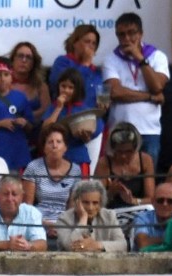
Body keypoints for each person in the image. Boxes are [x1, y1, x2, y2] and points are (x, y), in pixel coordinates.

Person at [101, 11, 169, 167]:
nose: (126, 39)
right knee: (119, 174)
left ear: (141, 34)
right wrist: (150, 97)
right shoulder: (110, 59)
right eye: (121, 35)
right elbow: (116, 92)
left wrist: (140, 59)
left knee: (148, 177)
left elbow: (157, 86)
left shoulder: (157, 57)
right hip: (120, 128)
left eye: (131, 33)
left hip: (149, 130)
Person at [48, 24, 107, 170]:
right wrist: (85, 64)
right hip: (67, 126)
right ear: (75, 42)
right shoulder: (63, 62)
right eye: (87, 41)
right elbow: (61, 85)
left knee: (88, 172)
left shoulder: (97, 72)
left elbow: (102, 95)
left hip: (92, 128)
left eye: (94, 43)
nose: (91, 46)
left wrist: (104, 103)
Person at [22, 120, 81, 235]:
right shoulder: (33, 167)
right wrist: (44, 224)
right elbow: (27, 206)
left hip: (65, 223)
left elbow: (72, 208)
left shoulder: (75, 170)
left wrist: (62, 226)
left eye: (59, 142)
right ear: (44, 148)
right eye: (50, 142)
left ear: (65, 147)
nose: (55, 145)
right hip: (37, 222)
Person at [41, 67, 95, 172]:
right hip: (56, 159)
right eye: (63, 86)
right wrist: (59, 107)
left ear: (77, 90)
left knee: (81, 189)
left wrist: (85, 136)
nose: (66, 90)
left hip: (78, 158)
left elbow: (89, 137)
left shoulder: (84, 109)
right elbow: (45, 129)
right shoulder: (53, 107)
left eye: (71, 87)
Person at [0, 175, 47, 252]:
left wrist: (28, 246)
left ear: (22, 196)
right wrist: (8, 244)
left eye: (14, 194)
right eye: (6, 194)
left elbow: (42, 244)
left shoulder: (32, 212)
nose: (10, 199)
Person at [54, 178, 125, 253]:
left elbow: (123, 245)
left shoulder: (110, 216)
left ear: (101, 203)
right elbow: (69, 246)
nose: (90, 208)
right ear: (77, 201)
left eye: (95, 203)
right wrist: (83, 219)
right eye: (85, 202)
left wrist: (97, 245)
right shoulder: (64, 218)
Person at [95, 121, 155, 210]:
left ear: (135, 149)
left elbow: (151, 199)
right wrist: (110, 193)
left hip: (139, 210)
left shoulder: (145, 160)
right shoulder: (104, 163)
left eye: (128, 152)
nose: (123, 156)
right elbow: (95, 202)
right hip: (112, 212)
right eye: (119, 151)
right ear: (113, 149)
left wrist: (133, 201)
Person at [8, 41, 50, 136]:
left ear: (33, 63)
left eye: (28, 57)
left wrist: (25, 117)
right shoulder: (2, 84)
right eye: (20, 56)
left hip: (36, 136)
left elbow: (46, 111)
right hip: (8, 134)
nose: (24, 60)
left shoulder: (41, 86)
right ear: (12, 60)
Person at [132, 181, 172, 250]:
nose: (165, 204)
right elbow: (143, 244)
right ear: (153, 202)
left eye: (170, 201)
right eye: (160, 200)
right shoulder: (143, 218)